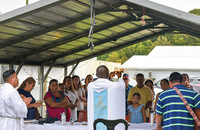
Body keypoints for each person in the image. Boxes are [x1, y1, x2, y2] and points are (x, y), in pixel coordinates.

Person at [87, 65, 125, 130]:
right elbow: (122, 85)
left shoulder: (90, 86)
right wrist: (119, 77)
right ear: (108, 74)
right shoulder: (114, 86)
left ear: (96, 75)